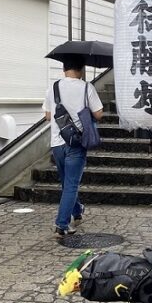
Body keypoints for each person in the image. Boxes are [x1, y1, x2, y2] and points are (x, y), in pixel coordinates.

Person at [44, 58, 103, 239]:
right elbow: (98, 114)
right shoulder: (87, 88)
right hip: (76, 143)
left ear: (64, 68)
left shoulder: (53, 87)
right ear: (82, 69)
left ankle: (77, 211)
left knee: (67, 183)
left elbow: (48, 116)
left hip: (57, 143)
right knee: (71, 184)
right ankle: (61, 225)